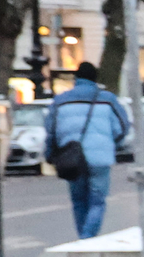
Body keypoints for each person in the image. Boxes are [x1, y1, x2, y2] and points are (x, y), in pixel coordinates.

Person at [48, 61, 129, 239]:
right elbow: (123, 127)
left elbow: (51, 131)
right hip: (100, 157)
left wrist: (51, 154)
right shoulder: (108, 99)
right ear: (95, 79)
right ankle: (88, 237)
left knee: (78, 201)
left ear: (76, 78)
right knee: (97, 201)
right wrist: (111, 143)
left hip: (71, 157)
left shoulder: (60, 101)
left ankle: (83, 237)